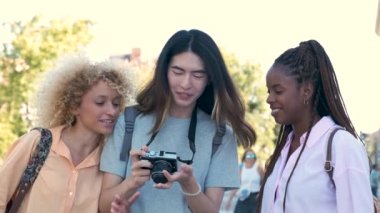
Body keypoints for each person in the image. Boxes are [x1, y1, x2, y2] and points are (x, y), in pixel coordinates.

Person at [99, 29, 257, 213]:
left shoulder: (220, 135)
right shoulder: (128, 122)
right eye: (178, 71)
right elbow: (103, 205)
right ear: (164, 70)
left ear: (209, 79)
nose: (186, 84)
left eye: (198, 75)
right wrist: (132, 182)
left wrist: (189, 185)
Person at [0, 55, 134, 213]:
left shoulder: (110, 161)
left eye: (116, 103)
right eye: (100, 102)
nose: (112, 111)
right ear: (74, 106)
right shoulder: (37, 143)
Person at [256, 39, 374, 213]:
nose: (269, 99)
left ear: (307, 91)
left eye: (278, 91)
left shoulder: (342, 146)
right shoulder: (283, 150)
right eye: (269, 91)